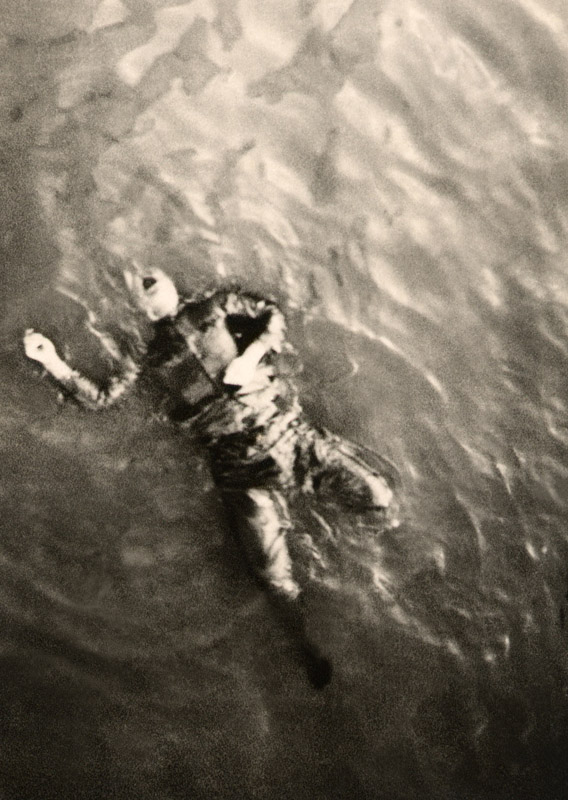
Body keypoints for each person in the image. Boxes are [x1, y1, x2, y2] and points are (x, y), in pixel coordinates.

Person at [23, 266, 398, 688]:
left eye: (149, 272)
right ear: (137, 306)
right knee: (273, 577)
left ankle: (386, 577)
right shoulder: (145, 356)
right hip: (241, 472)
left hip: (290, 433)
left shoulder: (215, 306)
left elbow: (271, 313)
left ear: (171, 281)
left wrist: (251, 355)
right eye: (137, 280)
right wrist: (52, 362)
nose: (144, 277)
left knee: (377, 495)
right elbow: (102, 399)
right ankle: (307, 646)